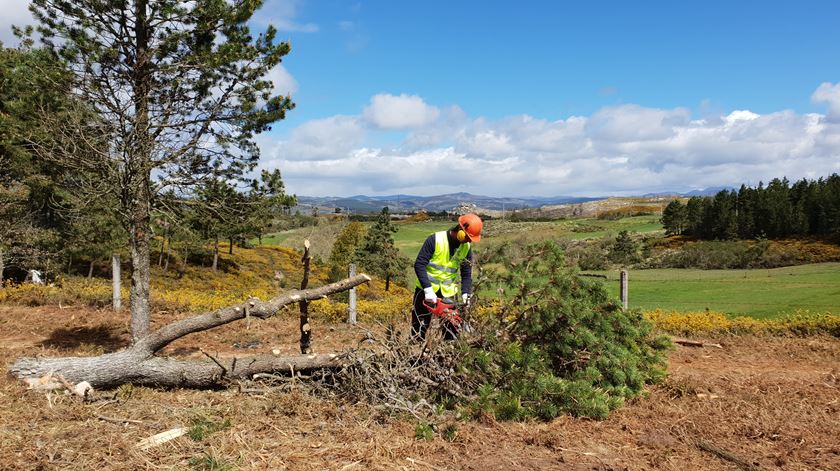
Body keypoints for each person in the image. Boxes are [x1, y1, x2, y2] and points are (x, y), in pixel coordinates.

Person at [411, 213, 483, 341]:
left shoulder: (466, 247)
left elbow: (466, 272)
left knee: (451, 331)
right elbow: (419, 265)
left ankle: (445, 356)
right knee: (419, 329)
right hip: (425, 292)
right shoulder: (435, 240)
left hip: (448, 295)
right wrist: (428, 289)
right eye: (468, 237)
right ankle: (414, 355)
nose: (469, 241)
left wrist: (466, 293)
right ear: (461, 231)